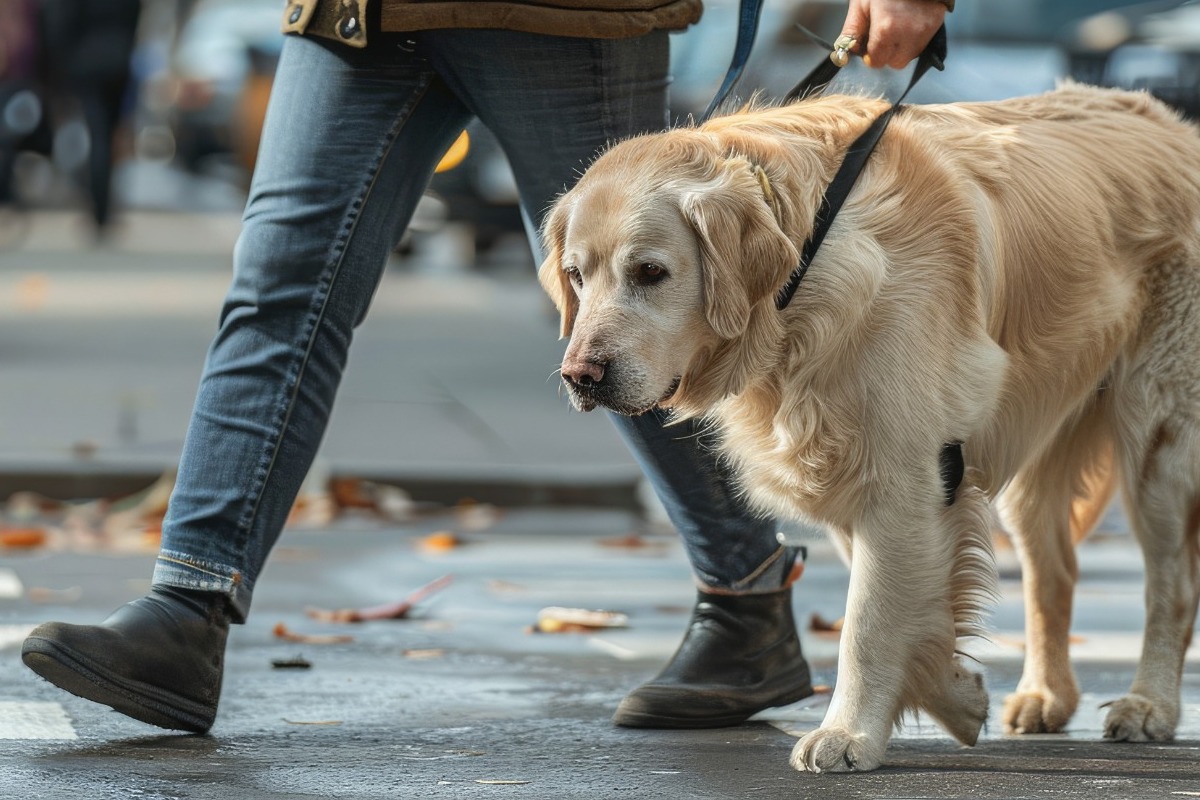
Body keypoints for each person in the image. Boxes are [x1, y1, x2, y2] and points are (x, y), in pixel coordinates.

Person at [21, 0, 952, 734]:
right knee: (279, 288)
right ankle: (188, 607)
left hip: (561, 14)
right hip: (361, 12)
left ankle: (747, 595)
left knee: (641, 318)